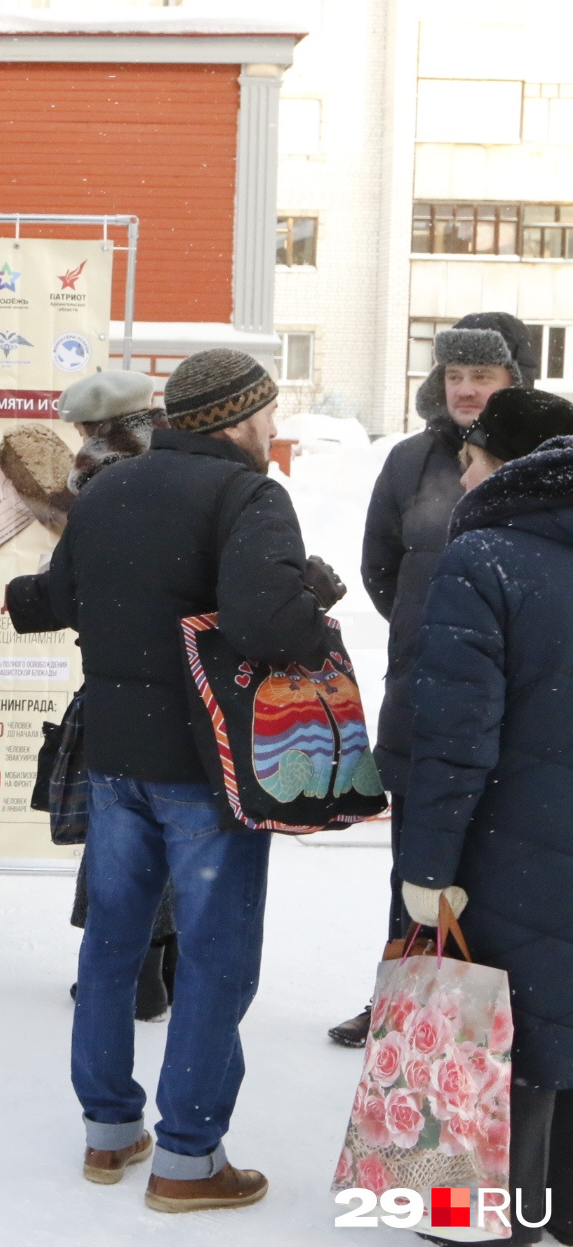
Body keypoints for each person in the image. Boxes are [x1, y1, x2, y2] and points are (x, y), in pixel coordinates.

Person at [48, 348, 344, 1211]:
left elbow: (58, 597)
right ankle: (188, 1157)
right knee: (216, 958)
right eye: (268, 412)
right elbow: (267, 623)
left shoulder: (108, 488)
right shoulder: (248, 494)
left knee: (112, 943)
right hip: (206, 771)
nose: (275, 427)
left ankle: (109, 1135)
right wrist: (312, 595)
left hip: (115, 757)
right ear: (238, 416)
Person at [402, 388, 573, 1246]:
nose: (459, 470)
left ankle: (475, 1214)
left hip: (510, 839)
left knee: (502, 1023)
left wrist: (427, 868)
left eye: (469, 456)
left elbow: (453, 734)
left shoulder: (486, 559)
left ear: (508, 466)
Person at [334, 318, 533, 1047]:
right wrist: (434, 637)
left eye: (483, 376)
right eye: (455, 376)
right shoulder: (410, 462)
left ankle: (490, 1023)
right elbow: (380, 567)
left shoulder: (538, 458)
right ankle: (399, 1004)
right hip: (421, 699)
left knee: (505, 872)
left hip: (516, 713)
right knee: (413, 869)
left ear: (515, 381)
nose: (467, 389)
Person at [5, 370, 180, 1023]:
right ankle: (168, 969)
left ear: (100, 430)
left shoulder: (103, 483)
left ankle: (133, 976)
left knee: (122, 834)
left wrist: (20, 594)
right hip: (192, 680)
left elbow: (69, 590)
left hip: (125, 678)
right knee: (177, 825)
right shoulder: (193, 466)